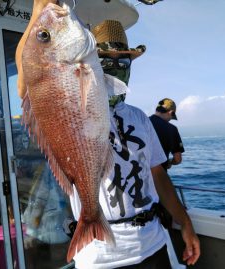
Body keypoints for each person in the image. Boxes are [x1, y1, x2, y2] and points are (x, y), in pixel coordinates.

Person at [69, 20, 200, 269]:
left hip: (153, 243)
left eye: (123, 62)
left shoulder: (140, 117)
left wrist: (185, 223)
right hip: (100, 255)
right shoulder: (74, 115)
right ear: (91, 66)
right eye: (107, 61)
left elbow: (157, 173)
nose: (117, 68)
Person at [150, 98, 185, 171]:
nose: (170, 120)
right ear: (171, 112)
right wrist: (169, 162)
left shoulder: (142, 122)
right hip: (159, 177)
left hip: (139, 176)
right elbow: (178, 159)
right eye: (172, 117)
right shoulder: (172, 129)